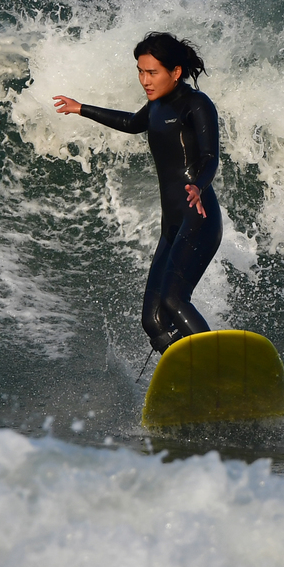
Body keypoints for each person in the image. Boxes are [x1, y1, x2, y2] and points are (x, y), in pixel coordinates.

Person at [53, 33, 222, 354]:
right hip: (172, 225)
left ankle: (218, 367)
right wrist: (80, 108)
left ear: (175, 72)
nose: (145, 80)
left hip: (198, 218)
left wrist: (199, 186)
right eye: (140, 72)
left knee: (174, 299)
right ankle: (189, 372)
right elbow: (132, 123)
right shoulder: (156, 105)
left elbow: (210, 157)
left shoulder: (197, 104)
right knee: (154, 321)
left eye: (152, 72)